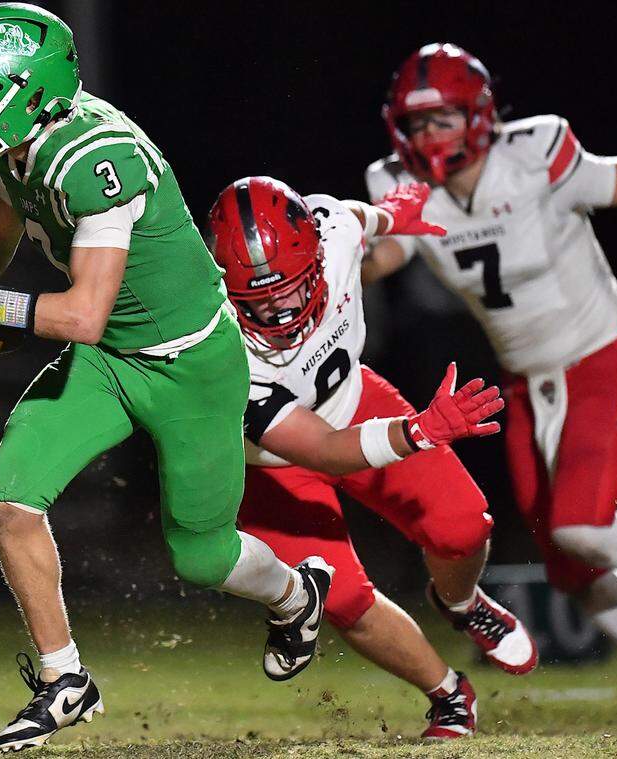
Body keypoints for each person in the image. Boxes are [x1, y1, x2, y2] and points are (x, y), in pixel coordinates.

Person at [0, 5, 332, 751]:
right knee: (9, 485)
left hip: (189, 363)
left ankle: (296, 592)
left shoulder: (96, 158)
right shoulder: (24, 145)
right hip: (110, 362)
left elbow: (83, 313)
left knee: (201, 554)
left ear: (28, 94)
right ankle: (67, 680)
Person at [364, 42, 617, 728]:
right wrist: (331, 251)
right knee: (570, 563)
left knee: (581, 524)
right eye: (418, 124)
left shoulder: (536, 155)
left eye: (445, 119)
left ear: (480, 116)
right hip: (527, 386)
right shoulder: (400, 184)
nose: (430, 137)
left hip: (602, 358)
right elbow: (390, 253)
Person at [206, 176, 536, 739]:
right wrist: (419, 430)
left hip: (358, 402)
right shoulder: (217, 343)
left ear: (314, 252)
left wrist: (391, 212)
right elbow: (327, 452)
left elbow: (357, 216)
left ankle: (461, 602)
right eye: (256, 300)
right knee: (343, 598)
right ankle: (450, 694)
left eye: (286, 287)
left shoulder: (333, 231)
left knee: (464, 527)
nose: (278, 310)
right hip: (274, 463)